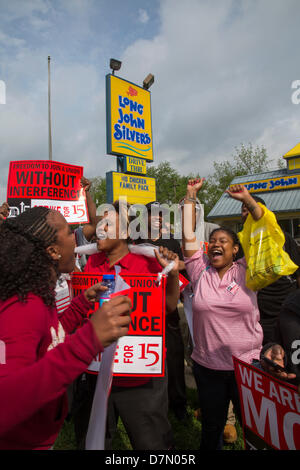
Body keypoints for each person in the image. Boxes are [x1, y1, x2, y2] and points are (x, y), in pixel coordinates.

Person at [0, 206, 132, 450]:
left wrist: (81, 305)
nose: (78, 237)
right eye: (70, 232)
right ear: (52, 251)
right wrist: (88, 340)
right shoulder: (23, 308)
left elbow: (48, 339)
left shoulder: (39, 296)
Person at [72, 201, 180, 450]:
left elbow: (169, 307)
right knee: (96, 439)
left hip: (139, 377)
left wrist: (172, 274)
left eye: (107, 224)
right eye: (98, 223)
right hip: (97, 372)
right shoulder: (92, 265)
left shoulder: (150, 263)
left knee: (151, 442)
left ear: (125, 234)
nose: (99, 229)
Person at [182, 178, 265, 450]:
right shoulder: (199, 270)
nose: (216, 244)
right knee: (212, 427)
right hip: (208, 368)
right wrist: (191, 197)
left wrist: (248, 201)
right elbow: (188, 235)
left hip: (248, 366)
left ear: (235, 249)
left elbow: (262, 229)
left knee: (254, 428)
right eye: (213, 241)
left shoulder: (247, 270)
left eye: (223, 241)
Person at [134, 200, 188, 421]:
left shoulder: (171, 242)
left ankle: (179, 404)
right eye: (153, 214)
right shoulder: (135, 241)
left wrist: (171, 263)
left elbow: (184, 265)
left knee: (174, 356)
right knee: (144, 355)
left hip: (168, 306)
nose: (157, 217)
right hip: (144, 309)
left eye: (161, 215)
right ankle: (148, 403)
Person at [241, 195, 300, 345]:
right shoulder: (241, 242)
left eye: (251, 208)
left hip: (285, 308)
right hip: (257, 313)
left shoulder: (282, 237)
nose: (247, 213)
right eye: (243, 210)